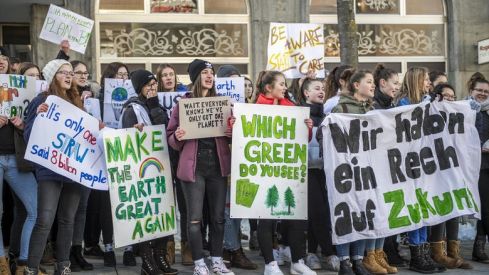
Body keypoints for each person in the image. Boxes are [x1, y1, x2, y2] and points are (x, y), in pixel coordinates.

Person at [167, 59, 235, 275]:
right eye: (205, 72)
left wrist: (232, 133)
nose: (209, 76)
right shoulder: (183, 104)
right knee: (194, 218)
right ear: (196, 77)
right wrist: (177, 137)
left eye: (211, 72)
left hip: (217, 165)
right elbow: (170, 136)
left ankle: (216, 261)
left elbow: (236, 134)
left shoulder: (223, 103)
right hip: (193, 167)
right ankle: (198, 263)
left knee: (218, 217)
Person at [23, 59, 85, 275]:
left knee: (68, 220)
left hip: (73, 172)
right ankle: (31, 268)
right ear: (52, 77)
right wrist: (39, 116)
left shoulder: (77, 103)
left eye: (70, 73)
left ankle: (63, 266)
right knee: (45, 220)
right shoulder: (41, 101)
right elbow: (29, 136)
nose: (69, 76)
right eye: (62, 73)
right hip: (49, 171)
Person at [253, 70, 314, 275]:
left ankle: (297, 261)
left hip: (287, 171)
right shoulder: (254, 109)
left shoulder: (291, 108)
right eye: (281, 84)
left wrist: (307, 127)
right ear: (269, 87)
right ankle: (270, 264)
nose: (285, 87)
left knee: (295, 214)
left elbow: (301, 141)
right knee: (266, 216)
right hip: (264, 171)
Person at [119, 69, 178, 275]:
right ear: (139, 88)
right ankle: (147, 260)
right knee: (147, 216)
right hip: (144, 171)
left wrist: (154, 105)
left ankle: (161, 256)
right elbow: (128, 140)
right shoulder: (131, 109)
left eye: (155, 84)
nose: (153, 88)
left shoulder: (156, 105)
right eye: (148, 85)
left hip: (162, 166)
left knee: (163, 214)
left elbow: (164, 128)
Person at [83, 62, 137, 267]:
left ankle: (129, 248)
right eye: (119, 74)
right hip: (106, 156)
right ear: (109, 77)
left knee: (128, 202)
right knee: (107, 205)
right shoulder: (97, 99)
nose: (123, 78)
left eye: (126, 75)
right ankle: (107, 247)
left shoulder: (135, 101)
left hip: (128, 154)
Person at [396, 67, 444, 274]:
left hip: (426, 160)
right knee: (416, 206)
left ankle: (424, 252)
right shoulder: (404, 102)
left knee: (425, 205)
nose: (428, 83)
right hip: (410, 163)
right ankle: (416, 255)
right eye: (425, 79)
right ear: (416, 80)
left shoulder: (428, 100)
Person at [329, 69, 374, 275]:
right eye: (369, 81)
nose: (373, 85)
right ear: (356, 85)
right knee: (345, 213)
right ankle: (344, 260)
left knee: (364, 213)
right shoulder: (342, 107)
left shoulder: (374, 108)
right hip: (346, 169)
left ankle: (358, 259)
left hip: (368, 170)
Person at [360, 64, 401, 275]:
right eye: (394, 83)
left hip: (387, 167)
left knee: (384, 212)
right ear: (382, 83)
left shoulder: (389, 105)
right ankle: (370, 255)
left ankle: (378, 253)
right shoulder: (373, 107)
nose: (397, 87)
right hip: (374, 168)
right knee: (374, 212)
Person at [296, 78, 340, 272]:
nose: (321, 91)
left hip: (325, 170)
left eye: (323, 88)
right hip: (306, 170)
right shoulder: (298, 115)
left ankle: (312, 252)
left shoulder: (328, 116)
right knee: (318, 211)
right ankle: (329, 252)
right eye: (316, 88)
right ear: (306, 93)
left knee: (319, 213)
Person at [217, 65, 257, 271]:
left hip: (244, 165)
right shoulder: (215, 107)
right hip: (224, 165)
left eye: (237, 81)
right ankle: (232, 250)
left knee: (238, 209)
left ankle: (231, 249)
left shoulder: (249, 107)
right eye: (230, 81)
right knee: (225, 209)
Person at [0, 65, 39, 275]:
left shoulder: (21, 90)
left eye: (3, 58)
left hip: (16, 159)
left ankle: (23, 263)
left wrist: (23, 126)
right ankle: (2, 263)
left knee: (36, 209)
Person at [155, 63, 189, 266]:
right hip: (162, 155)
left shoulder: (186, 97)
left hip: (182, 154)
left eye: (171, 74)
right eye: (164, 75)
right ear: (159, 79)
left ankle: (187, 246)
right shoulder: (154, 99)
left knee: (185, 204)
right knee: (167, 204)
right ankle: (167, 246)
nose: (169, 78)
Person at [63, 60, 95, 272]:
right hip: (67, 160)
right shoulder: (63, 97)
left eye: (86, 73)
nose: (83, 76)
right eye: (78, 72)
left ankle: (77, 250)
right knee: (69, 211)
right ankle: (65, 255)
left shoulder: (93, 98)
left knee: (82, 208)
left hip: (87, 160)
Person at [469, 73, 489, 264]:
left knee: (486, 207)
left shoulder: (488, 111)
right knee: (485, 207)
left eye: (486, 91)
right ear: (471, 91)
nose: (483, 94)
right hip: (477, 166)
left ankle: (479, 247)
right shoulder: (466, 109)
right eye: (479, 90)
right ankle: (479, 247)